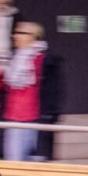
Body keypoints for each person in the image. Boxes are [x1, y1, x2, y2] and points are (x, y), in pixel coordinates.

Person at [0, 21, 51, 161]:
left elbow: (47, 90)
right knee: (14, 161)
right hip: (13, 118)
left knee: (23, 163)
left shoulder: (40, 59)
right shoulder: (13, 60)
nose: (15, 36)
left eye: (21, 33)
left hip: (30, 118)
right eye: (15, 32)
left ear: (33, 37)